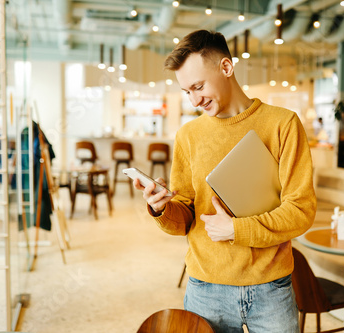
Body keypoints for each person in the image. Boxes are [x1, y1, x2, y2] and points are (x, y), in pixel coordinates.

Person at [133, 30, 316, 333]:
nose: (194, 100)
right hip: (206, 289)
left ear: (227, 68)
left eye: (198, 86)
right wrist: (162, 209)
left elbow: (301, 211)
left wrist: (236, 229)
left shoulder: (283, 124)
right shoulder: (188, 136)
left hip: (271, 287)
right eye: (186, 91)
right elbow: (184, 219)